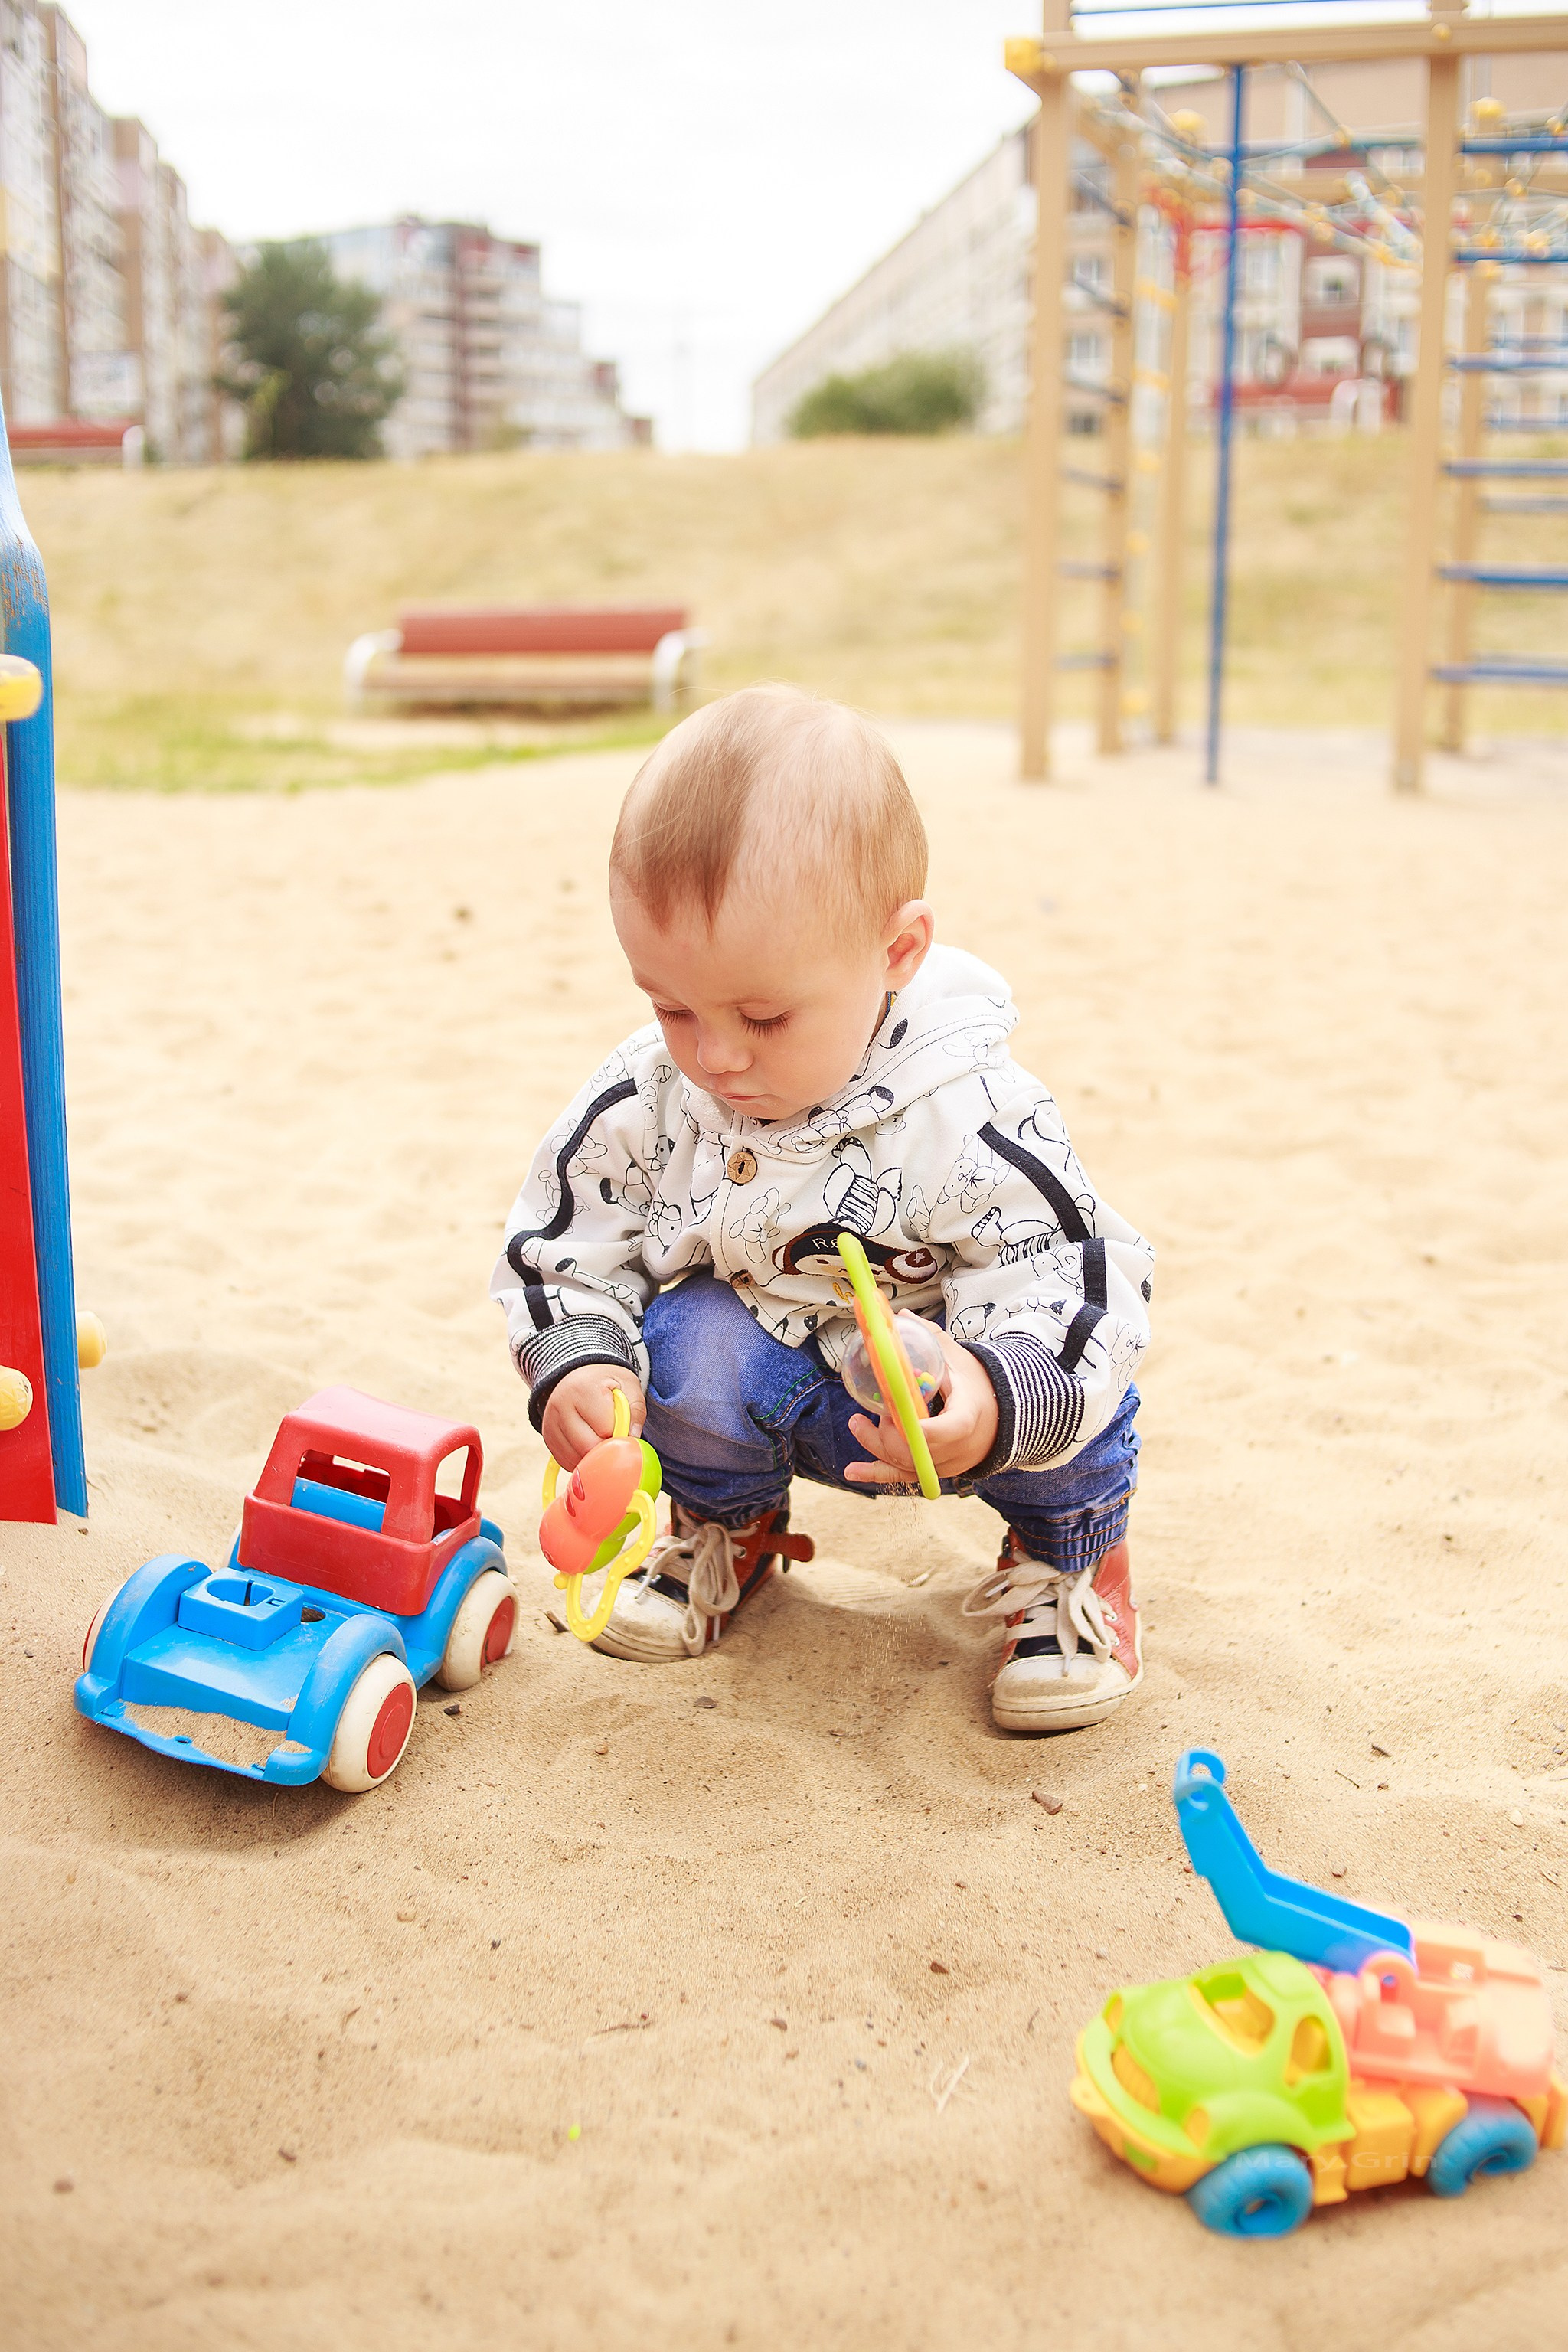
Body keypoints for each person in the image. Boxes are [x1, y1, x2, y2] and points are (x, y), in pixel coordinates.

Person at [492, 688, 1153, 1732]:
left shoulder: (971, 1112)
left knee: (1079, 1378)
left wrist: (994, 1394)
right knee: (683, 1344)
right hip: (782, 1382)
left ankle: (1066, 1565)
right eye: (671, 1006)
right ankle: (728, 1526)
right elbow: (566, 1238)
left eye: (763, 1014)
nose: (716, 1055)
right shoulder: (654, 1096)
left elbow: (1076, 1278)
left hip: (953, 1398)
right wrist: (579, 1359)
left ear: (896, 954)